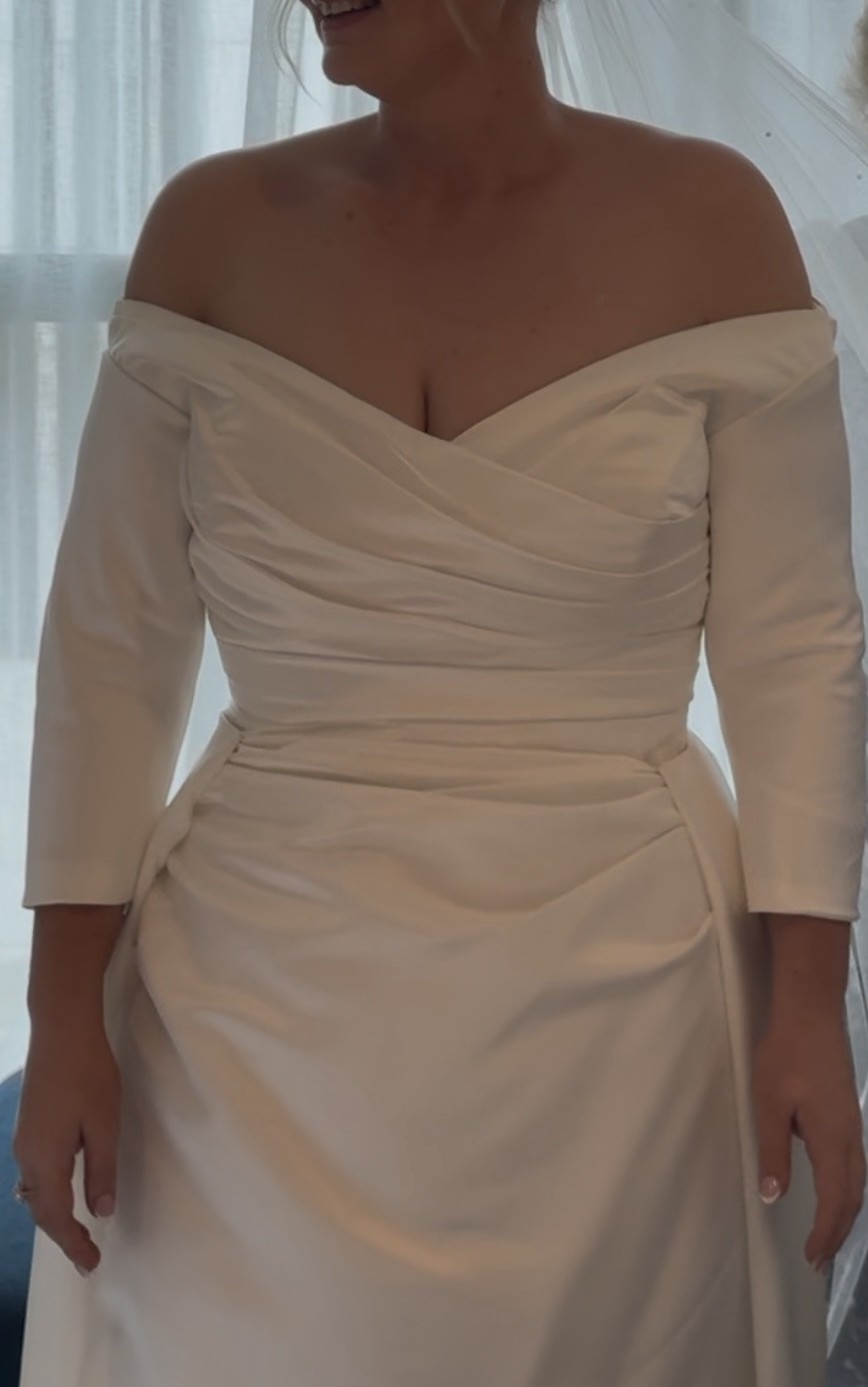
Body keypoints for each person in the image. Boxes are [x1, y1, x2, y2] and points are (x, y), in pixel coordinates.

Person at [12, 0, 868, 1382]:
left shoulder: (714, 225)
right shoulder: (210, 233)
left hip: (625, 1002)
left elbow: (798, 652)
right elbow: (108, 653)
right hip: (243, 1016)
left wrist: (810, 1009)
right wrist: (59, 1018)